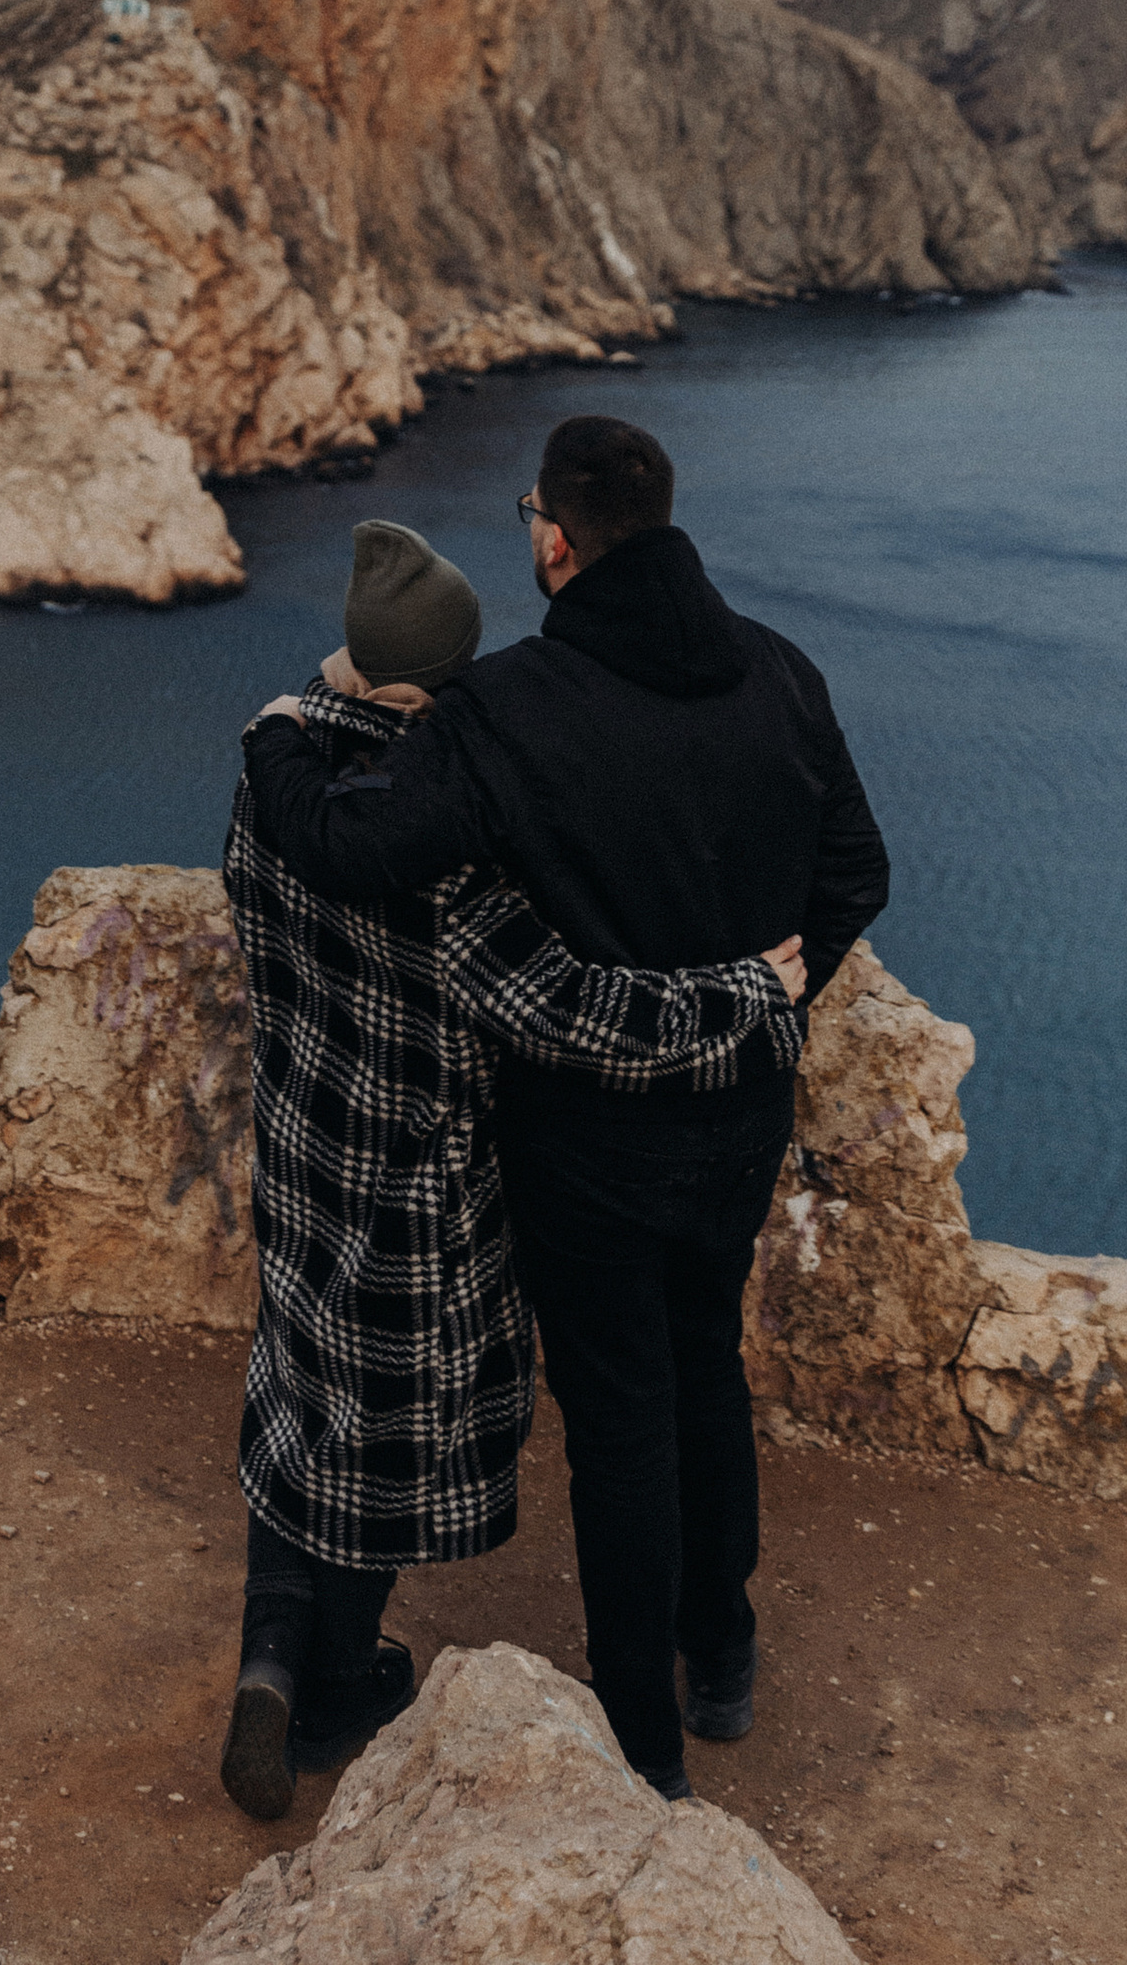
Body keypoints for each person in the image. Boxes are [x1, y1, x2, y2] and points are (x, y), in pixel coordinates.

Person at [243, 418, 888, 1800]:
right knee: (705, 1366)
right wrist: (768, 1000)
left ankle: (642, 1752)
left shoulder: (511, 706)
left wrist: (281, 741)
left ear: (553, 536)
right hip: (741, 1113)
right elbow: (854, 876)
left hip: (587, 1132)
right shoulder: (783, 670)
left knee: (621, 1419)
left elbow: (357, 847)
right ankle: (720, 1658)